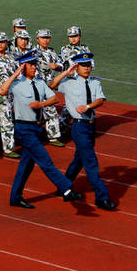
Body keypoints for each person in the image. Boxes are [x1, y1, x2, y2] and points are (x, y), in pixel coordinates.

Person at [0, 51, 82, 209]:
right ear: (23, 67)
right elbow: (2, 91)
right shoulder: (16, 84)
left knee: (26, 166)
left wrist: (41, 105)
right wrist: (15, 74)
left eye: (34, 64)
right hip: (24, 128)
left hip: (37, 127)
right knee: (45, 160)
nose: (34, 67)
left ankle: (15, 198)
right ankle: (66, 189)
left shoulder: (39, 82)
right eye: (30, 64)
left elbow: (54, 98)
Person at [49, 52, 116, 211]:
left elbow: (100, 99)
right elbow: (52, 85)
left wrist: (88, 107)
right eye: (83, 65)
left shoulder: (95, 83)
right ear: (77, 66)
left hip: (91, 125)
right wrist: (66, 72)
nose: (87, 68)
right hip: (79, 126)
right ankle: (102, 197)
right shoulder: (69, 82)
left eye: (88, 65)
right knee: (91, 162)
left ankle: (63, 186)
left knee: (79, 159)